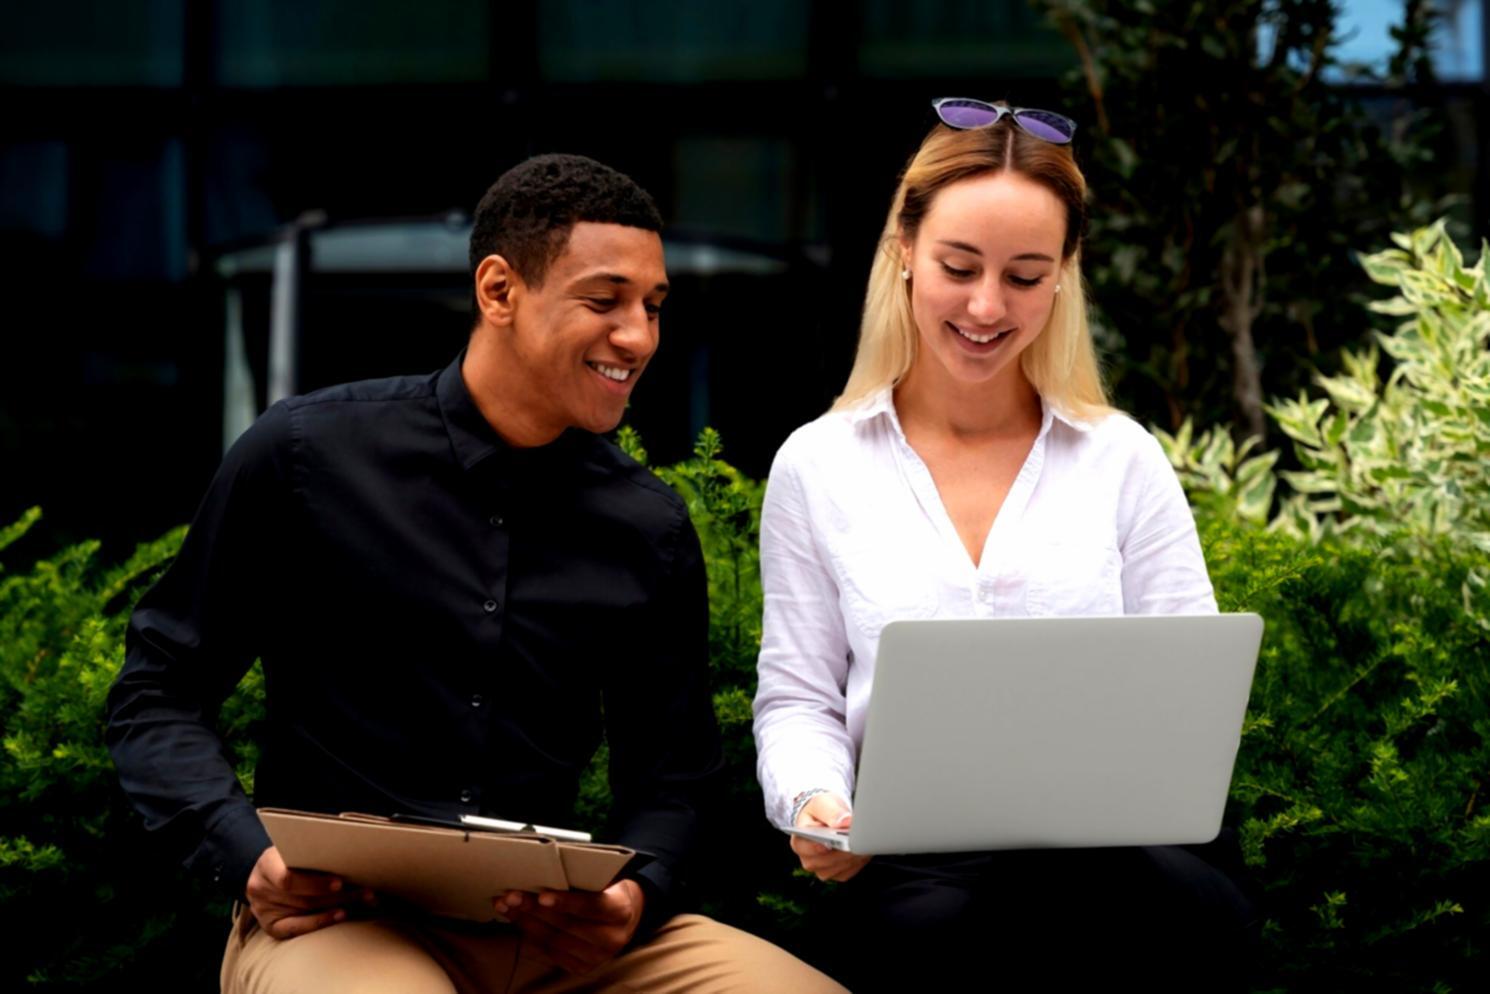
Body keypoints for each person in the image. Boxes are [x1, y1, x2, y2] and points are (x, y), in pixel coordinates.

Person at [107, 153, 845, 994]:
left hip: (561, 942)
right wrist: (246, 856)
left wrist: (636, 897)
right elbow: (157, 690)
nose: (639, 336)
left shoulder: (649, 526)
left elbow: (674, 782)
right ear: (498, 292)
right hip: (340, 927)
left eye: (653, 306)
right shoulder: (305, 456)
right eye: (604, 301)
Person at [752, 100, 1258, 991]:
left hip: (1130, 868)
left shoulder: (1122, 458)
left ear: (1064, 274)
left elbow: (1193, 694)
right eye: (959, 266)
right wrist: (820, 805)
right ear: (904, 248)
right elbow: (798, 698)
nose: (987, 306)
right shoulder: (818, 464)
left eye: (1025, 276)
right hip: (925, 879)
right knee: (948, 930)